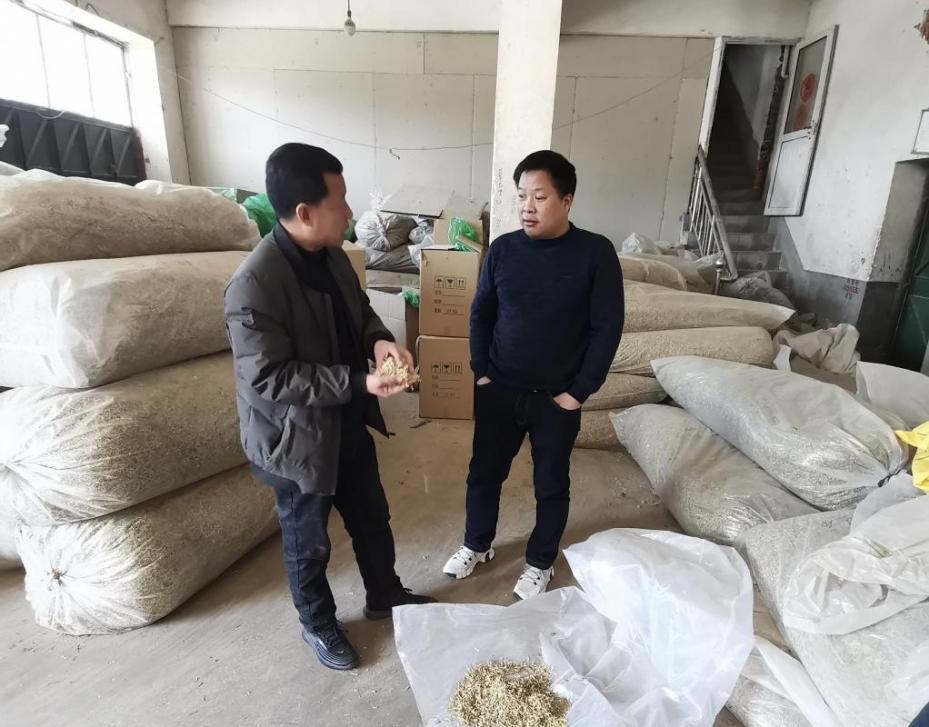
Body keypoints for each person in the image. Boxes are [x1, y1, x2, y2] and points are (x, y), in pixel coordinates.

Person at [224, 142, 435, 672]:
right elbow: (270, 377)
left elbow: (359, 313)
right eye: (339, 200)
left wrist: (380, 342)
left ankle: (385, 593)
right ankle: (318, 624)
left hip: (345, 419)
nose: (349, 211)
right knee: (308, 541)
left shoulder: (335, 257)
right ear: (304, 212)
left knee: (371, 517)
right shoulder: (254, 285)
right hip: (294, 439)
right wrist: (360, 381)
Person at [442, 150, 624, 599]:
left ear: (567, 200)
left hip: (556, 398)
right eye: (522, 196)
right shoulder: (503, 250)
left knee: (551, 485)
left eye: (539, 197)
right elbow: (481, 313)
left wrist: (578, 393)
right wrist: (481, 372)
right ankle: (477, 544)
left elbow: (607, 328)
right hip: (499, 389)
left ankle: (540, 562)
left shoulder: (595, 253)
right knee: (483, 474)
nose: (527, 207)